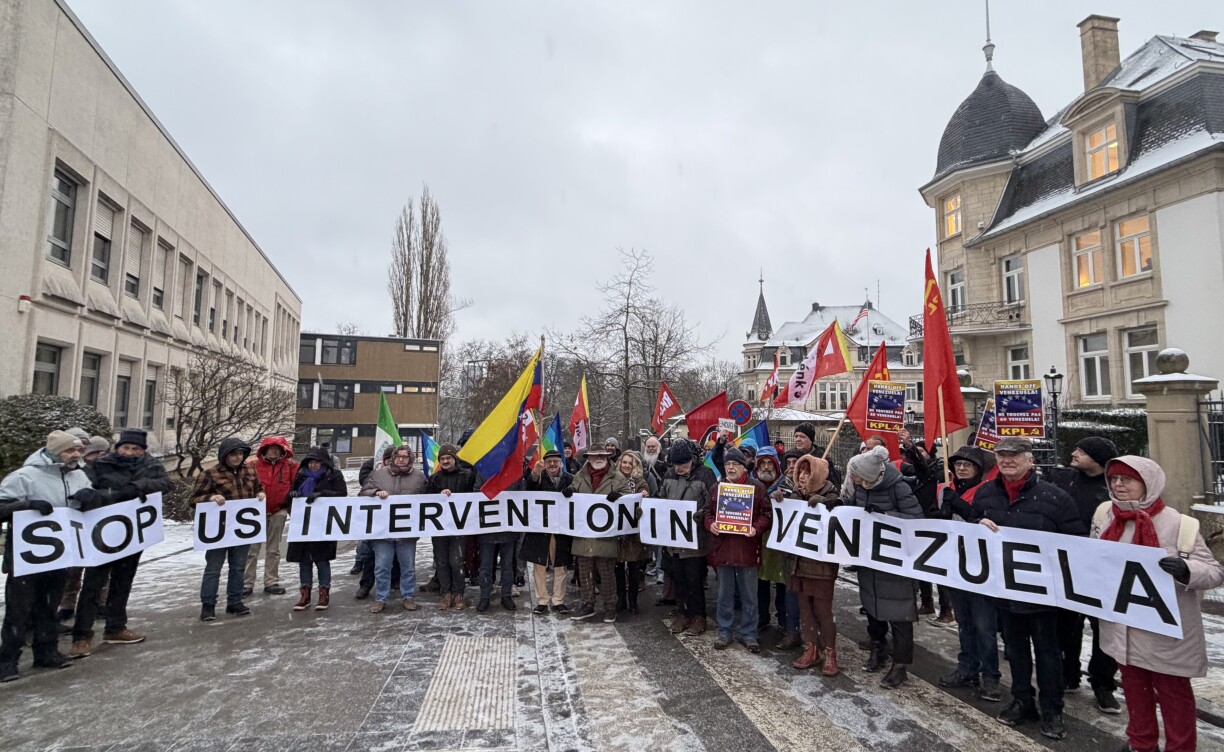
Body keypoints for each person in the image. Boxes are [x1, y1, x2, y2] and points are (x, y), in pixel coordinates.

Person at [1091, 456, 1224, 752]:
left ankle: (1180, 747)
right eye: (1114, 479)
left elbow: (1214, 572)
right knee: (1135, 690)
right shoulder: (1105, 516)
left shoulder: (1178, 523)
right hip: (1122, 625)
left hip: (1165, 631)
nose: (1118, 485)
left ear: (1147, 484)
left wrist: (1186, 570)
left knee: (1174, 694)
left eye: (1127, 479)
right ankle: (1141, 742)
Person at [972, 437, 1085, 740]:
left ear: (1030, 460)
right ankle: (1022, 700)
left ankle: (1052, 709)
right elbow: (971, 535)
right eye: (1001, 455)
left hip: (1044, 596)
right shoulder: (985, 494)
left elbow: (1075, 543)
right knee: (1015, 650)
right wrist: (977, 525)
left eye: (1015, 455)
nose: (1007, 460)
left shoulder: (1055, 498)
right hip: (1005, 591)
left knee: (1048, 653)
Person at [67, 429, 172, 658]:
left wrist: (139, 487)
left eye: (135, 449)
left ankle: (115, 627)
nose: (130, 452)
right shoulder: (101, 465)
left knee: (123, 581)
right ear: (117, 448)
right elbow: (83, 488)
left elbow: (165, 484)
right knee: (93, 584)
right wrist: (111, 495)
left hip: (132, 534)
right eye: (126, 448)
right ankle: (82, 636)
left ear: (143, 450)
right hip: (102, 533)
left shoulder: (151, 466)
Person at [0, 431, 91, 682]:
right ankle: (7, 659)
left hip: (60, 554)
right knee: (19, 609)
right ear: (53, 451)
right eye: (69, 450)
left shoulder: (79, 475)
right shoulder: (24, 477)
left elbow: (88, 509)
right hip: (26, 555)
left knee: (49, 605)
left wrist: (90, 498)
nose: (75, 454)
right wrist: (26, 505)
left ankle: (46, 651)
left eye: (78, 450)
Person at [1048, 436, 1122, 712]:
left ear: (1099, 458)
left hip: (1104, 570)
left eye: (1083, 451)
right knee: (1066, 624)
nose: (1075, 453)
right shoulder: (1065, 480)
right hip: (1068, 564)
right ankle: (1069, 673)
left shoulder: (1115, 487)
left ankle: (1103, 683)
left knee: (1105, 628)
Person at [845, 445, 923, 689]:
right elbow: (856, 510)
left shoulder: (899, 487)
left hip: (895, 562)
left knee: (900, 615)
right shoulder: (862, 487)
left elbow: (917, 521)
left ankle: (900, 666)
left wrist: (885, 516)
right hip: (870, 559)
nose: (853, 479)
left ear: (868, 475)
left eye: (856, 475)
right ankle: (878, 650)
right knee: (873, 608)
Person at [937, 445, 1002, 701]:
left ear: (978, 469)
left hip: (980, 567)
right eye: (958, 464)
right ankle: (967, 668)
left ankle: (991, 677)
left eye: (967, 465)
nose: (961, 468)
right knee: (964, 622)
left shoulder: (988, 491)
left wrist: (960, 507)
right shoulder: (948, 489)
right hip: (955, 564)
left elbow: (985, 522)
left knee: (984, 625)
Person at [190, 438, 265, 621]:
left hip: (241, 528)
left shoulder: (250, 470)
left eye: (240, 454)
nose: (237, 457)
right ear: (225, 455)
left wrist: (260, 493)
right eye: (233, 454)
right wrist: (210, 498)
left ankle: (235, 601)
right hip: (219, 529)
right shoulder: (210, 473)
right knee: (213, 568)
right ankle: (208, 605)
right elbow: (194, 499)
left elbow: (258, 488)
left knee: (238, 567)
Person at [707, 446, 771, 653]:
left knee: (749, 596)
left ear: (744, 468)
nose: (731, 468)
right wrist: (711, 525)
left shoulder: (757, 488)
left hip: (747, 549)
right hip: (724, 549)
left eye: (735, 464)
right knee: (725, 594)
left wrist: (756, 528)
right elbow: (707, 513)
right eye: (727, 464)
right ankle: (724, 631)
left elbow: (767, 515)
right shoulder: (716, 489)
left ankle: (749, 634)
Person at [787, 455, 842, 675]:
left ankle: (830, 652)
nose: (801, 476)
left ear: (817, 475)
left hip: (821, 566)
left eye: (807, 472)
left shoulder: (833, 495)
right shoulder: (795, 495)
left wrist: (827, 505)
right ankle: (810, 649)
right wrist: (781, 501)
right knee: (804, 609)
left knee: (823, 611)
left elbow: (841, 523)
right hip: (797, 563)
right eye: (800, 472)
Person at [360, 445, 424, 613]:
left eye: (405, 457)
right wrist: (375, 492)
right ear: (393, 458)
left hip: (407, 531)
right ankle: (381, 598)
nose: (401, 459)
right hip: (383, 532)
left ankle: (408, 596)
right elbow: (363, 492)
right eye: (398, 456)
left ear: (410, 459)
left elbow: (428, 496)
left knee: (408, 566)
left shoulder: (419, 477)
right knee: (382, 566)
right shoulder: (379, 474)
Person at [659, 441, 714, 635]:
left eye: (683, 464)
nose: (679, 468)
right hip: (674, 539)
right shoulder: (669, 475)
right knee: (679, 579)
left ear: (692, 460)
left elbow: (712, 502)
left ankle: (698, 616)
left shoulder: (705, 475)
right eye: (676, 464)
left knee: (695, 580)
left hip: (696, 539)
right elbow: (661, 500)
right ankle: (682, 613)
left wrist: (701, 514)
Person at [570, 447, 628, 623]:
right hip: (583, 536)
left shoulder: (617, 478)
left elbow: (630, 501)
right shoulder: (579, 477)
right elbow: (571, 492)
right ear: (588, 458)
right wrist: (567, 493)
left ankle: (610, 606)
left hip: (606, 536)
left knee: (606, 573)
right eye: (595, 456)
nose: (599, 458)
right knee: (584, 573)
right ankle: (587, 603)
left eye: (602, 456)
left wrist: (620, 497)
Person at [285, 447, 347, 611]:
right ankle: (305, 593)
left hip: (323, 523)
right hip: (303, 524)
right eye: (310, 462)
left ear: (323, 463)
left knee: (321, 559)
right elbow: (288, 497)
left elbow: (342, 495)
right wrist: (292, 495)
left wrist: (322, 493)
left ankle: (323, 592)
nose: (313, 465)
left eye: (316, 462)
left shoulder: (333, 475)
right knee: (304, 560)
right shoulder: (301, 475)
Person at [243, 436, 298, 598]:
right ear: (264, 450)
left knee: (273, 549)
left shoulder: (290, 466)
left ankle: (271, 581)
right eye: (270, 447)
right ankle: (246, 583)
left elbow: (297, 485)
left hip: (278, 510)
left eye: (277, 448)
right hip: (254, 513)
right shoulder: (252, 466)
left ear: (283, 450)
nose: (274, 450)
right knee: (251, 550)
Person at [754, 446, 798, 649]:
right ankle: (762, 617)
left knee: (782, 581)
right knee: (759, 581)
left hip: (780, 541)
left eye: (769, 463)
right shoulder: (752, 485)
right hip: (758, 540)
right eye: (762, 463)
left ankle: (783, 619)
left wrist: (785, 500)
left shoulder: (786, 485)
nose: (765, 467)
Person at [522, 449, 573, 614]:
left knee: (560, 566)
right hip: (541, 529)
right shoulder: (539, 477)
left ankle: (559, 600)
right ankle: (542, 600)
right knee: (540, 566)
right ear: (544, 464)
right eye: (549, 461)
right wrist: (535, 473)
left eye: (555, 461)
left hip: (561, 530)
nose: (552, 464)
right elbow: (529, 487)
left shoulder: (569, 479)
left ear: (560, 463)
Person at [425, 443, 474, 610]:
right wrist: (438, 496)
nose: (445, 461)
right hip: (439, 528)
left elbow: (475, 496)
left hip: (460, 527)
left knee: (457, 561)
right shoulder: (434, 478)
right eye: (442, 459)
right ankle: (445, 593)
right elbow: (424, 499)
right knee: (441, 561)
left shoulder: (467, 476)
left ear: (454, 459)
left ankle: (459, 593)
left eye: (448, 458)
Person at [613, 451, 650, 615]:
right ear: (620, 463)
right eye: (624, 462)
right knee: (618, 567)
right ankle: (621, 599)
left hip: (634, 533)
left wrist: (644, 498)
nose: (627, 465)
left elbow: (647, 504)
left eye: (630, 463)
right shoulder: (612, 481)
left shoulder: (641, 482)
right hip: (617, 531)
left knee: (634, 567)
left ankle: (633, 600)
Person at [353, 445, 395, 578]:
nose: (390, 462)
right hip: (374, 513)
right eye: (388, 459)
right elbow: (364, 485)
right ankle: (360, 562)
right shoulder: (371, 467)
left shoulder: (399, 472)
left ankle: (393, 578)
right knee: (366, 543)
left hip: (392, 515)